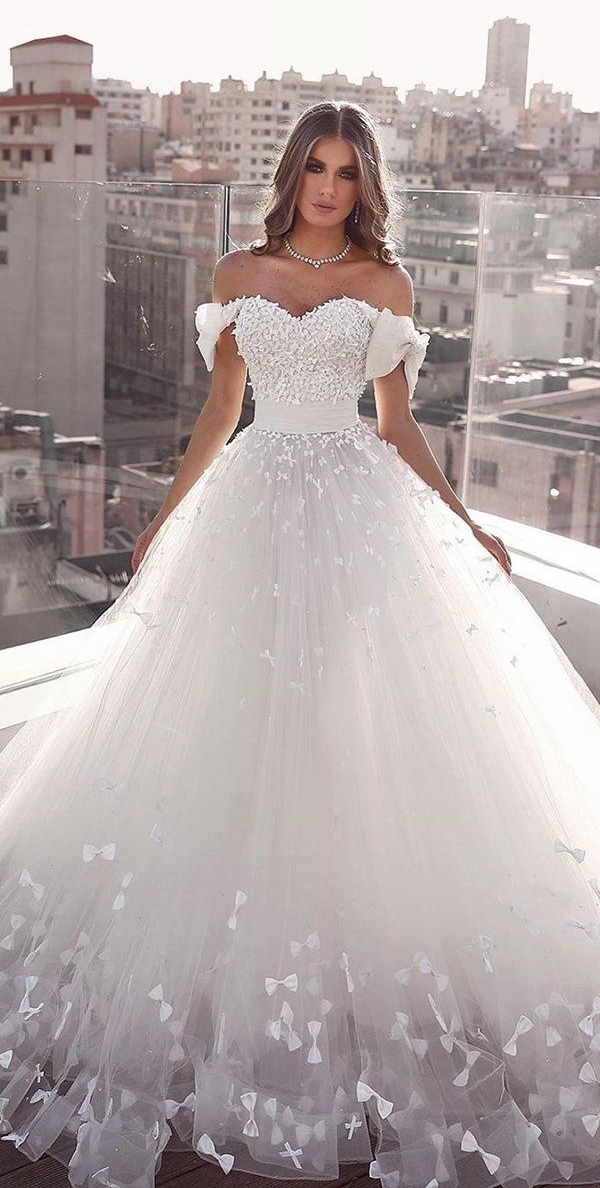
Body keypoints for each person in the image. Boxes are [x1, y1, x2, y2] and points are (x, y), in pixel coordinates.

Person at [0, 100, 598, 1188]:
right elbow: (221, 406)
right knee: (233, 721)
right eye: (315, 167)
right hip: (253, 509)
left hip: (358, 517)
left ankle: (339, 960)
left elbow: (399, 421)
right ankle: (238, 962)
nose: (329, 185)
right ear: (293, 173)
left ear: (366, 182)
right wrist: (167, 518)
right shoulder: (238, 272)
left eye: (347, 169)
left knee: (345, 731)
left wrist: (465, 527)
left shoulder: (388, 287)